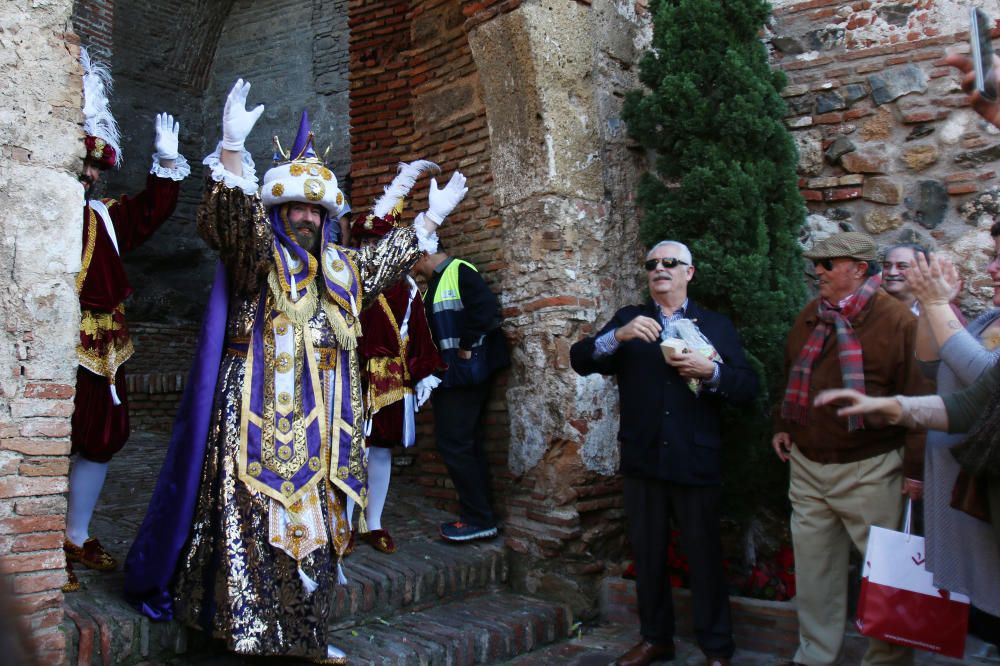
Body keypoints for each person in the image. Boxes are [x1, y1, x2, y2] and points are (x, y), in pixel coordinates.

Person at [123, 79, 467, 663]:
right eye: (295, 207)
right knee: (254, 530)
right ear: (278, 210)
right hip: (255, 422)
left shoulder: (340, 266)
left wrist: (427, 222)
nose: (306, 217)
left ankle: (304, 638)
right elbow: (229, 223)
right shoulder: (258, 255)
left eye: (315, 208)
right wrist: (232, 153)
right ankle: (249, 639)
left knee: (318, 533)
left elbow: (383, 261)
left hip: (328, 431)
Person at [570, 240, 759, 666]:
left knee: (705, 556)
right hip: (644, 458)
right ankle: (656, 638)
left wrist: (712, 373)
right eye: (653, 263)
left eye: (670, 263)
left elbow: (747, 386)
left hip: (696, 458)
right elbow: (581, 360)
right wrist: (616, 336)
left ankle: (717, 648)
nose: (660, 268)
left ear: (689, 272)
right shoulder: (629, 320)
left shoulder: (714, 324)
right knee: (649, 554)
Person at [65, 48, 189, 592]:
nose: (90, 174)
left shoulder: (105, 217)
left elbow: (149, 213)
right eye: (84, 162)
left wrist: (165, 167)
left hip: (104, 347)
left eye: (97, 166)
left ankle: (75, 532)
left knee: (99, 435)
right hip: (50, 339)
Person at [772, 231, 926, 666]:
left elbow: (919, 399)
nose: (816, 270)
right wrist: (784, 424)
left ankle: (887, 661)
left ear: (859, 269)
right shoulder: (811, 314)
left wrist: (916, 470)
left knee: (886, 578)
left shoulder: (898, 322)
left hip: (871, 467)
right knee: (815, 572)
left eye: (827, 263)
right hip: (807, 465)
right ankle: (814, 656)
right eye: (816, 263)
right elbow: (791, 374)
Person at [347, 193, 445, 554]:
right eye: (366, 241)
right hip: (348, 374)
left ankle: (373, 522)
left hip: (390, 380)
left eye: (378, 241)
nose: (372, 247)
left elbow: (417, 331)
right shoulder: (344, 278)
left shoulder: (407, 287)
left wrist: (425, 374)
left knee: (380, 452)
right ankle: (340, 524)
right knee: (344, 450)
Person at [411, 247, 510, 542]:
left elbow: (486, 310)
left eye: (412, 258)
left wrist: (466, 348)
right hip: (452, 375)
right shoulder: (433, 287)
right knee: (465, 443)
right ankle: (481, 516)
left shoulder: (459, 270)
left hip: (465, 373)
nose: (411, 266)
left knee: (454, 442)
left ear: (425, 252)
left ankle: (478, 518)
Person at [881, 243, 927, 314]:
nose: (892, 272)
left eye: (902, 266)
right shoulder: (869, 306)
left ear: (921, 270)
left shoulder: (934, 310)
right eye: (887, 266)